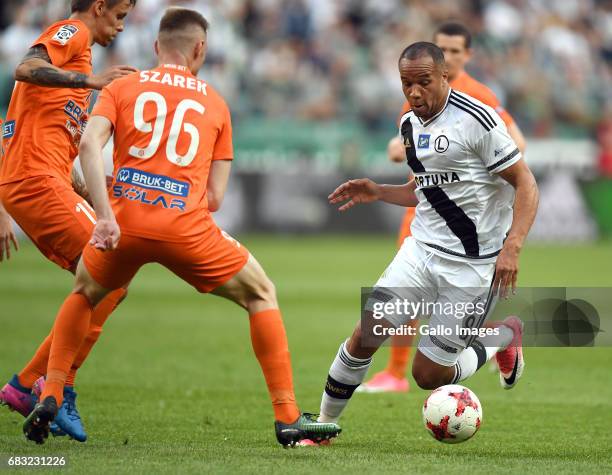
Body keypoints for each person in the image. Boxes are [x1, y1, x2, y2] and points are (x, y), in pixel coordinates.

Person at [22, 7, 341, 448]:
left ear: (156, 48)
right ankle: (287, 418)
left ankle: (52, 391)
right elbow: (214, 199)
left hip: (125, 225)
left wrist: (107, 214)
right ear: (200, 49)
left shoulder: (123, 85)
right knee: (260, 292)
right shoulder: (215, 102)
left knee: (84, 292)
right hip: (186, 229)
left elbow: (91, 146)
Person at [314, 42, 538, 432]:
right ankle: (322, 426)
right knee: (365, 335)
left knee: (428, 375)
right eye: (406, 84)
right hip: (419, 254)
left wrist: (513, 245)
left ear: (444, 77)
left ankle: (504, 334)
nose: (414, 92)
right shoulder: (409, 124)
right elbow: (425, 190)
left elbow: (527, 183)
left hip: (472, 268)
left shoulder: (477, 121)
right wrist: (380, 191)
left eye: (423, 82)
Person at [361, 22, 528, 393]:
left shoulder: (479, 96)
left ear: (467, 56)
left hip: (465, 222)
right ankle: (396, 371)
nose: (449, 57)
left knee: (446, 303)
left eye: (456, 51)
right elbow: (408, 143)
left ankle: (489, 340)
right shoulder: (418, 86)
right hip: (421, 211)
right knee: (404, 299)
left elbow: (517, 144)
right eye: (443, 49)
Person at [0, 0, 138, 442]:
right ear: (98, 7)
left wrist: (97, 192)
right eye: (119, 15)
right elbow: (26, 67)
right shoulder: (71, 34)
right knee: (109, 274)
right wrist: (92, 80)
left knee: (106, 279)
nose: (120, 26)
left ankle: (29, 384)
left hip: (41, 181)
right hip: (34, 181)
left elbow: (50, 146)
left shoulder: (81, 58)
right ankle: (51, 385)